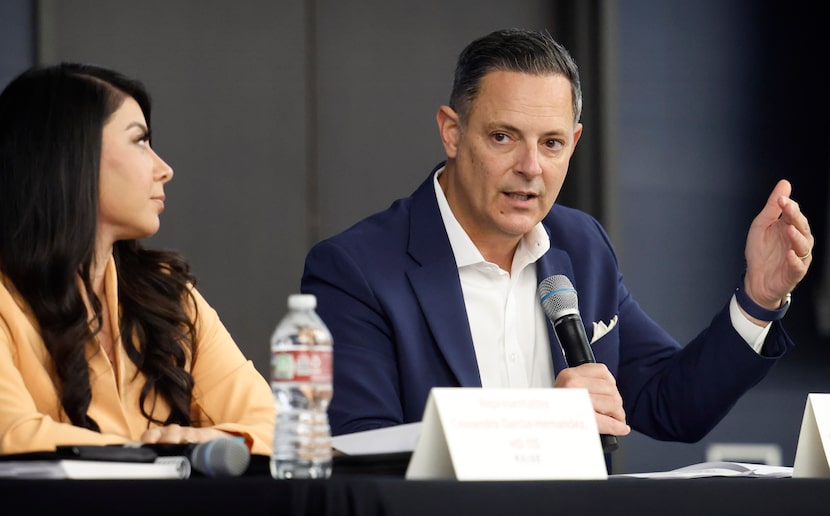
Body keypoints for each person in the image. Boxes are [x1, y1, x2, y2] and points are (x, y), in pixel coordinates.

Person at [301, 28, 814, 448]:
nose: (530, 168)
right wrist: (545, 425)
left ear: (574, 143)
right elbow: (361, 452)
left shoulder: (580, 244)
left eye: (550, 144)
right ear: (452, 133)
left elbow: (669, 404)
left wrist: (759, 300)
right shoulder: (356, 268)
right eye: (503, 137)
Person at [0, 63, 275, 455]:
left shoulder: (169, 294)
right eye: (140, 141)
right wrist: (163, 457)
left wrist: (200, 442)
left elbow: (274, 427)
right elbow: (12, 436)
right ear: (69, 158)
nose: (164, 170)